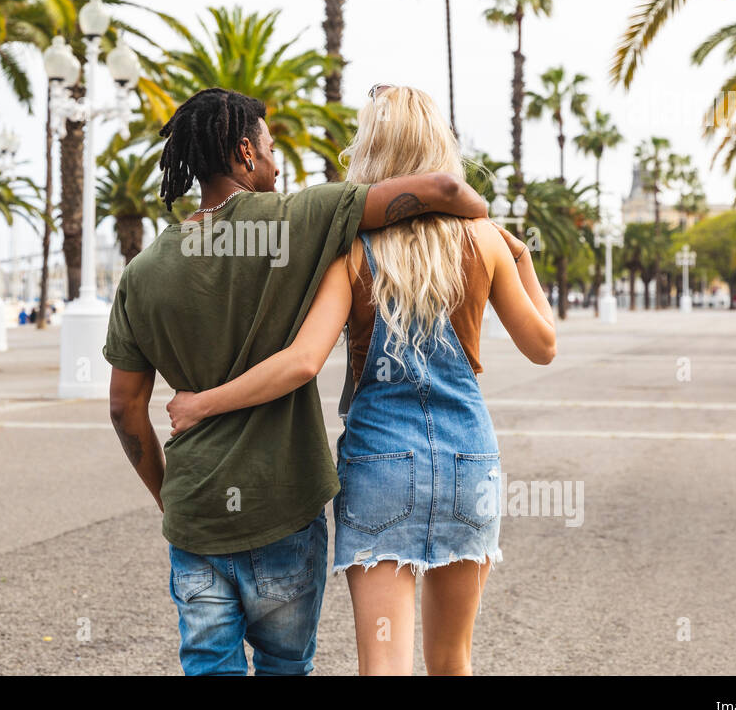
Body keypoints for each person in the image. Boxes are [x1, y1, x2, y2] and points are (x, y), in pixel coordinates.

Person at [166, 86, 557, 675]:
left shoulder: (352, 249)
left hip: (380, 467)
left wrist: (203, 405)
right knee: (453, 660)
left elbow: (301, 362)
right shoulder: (484, 241)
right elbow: (543, 347)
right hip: (469, 460)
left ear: (371, 152)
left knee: (384, 666)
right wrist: (522, 259)